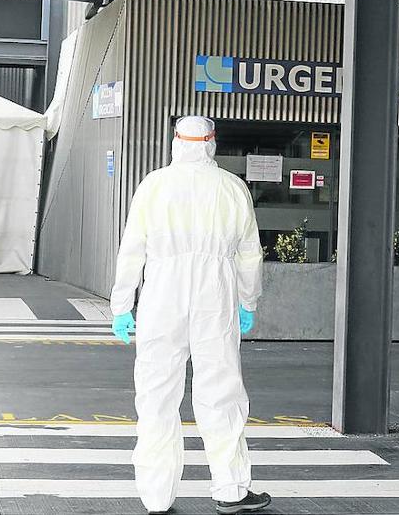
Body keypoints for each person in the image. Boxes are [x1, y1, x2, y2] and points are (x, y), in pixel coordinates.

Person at [110, 116, 271, 515]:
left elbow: (132, 249)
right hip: (215, 296)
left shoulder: (154, 184)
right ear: (211, 143)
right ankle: (231, 489)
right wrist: (248, 302)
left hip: (161, 296)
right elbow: (250, 255)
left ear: (176, 142)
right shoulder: (233, 188)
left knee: (156, 396)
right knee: (221, 392)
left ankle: (156, 495)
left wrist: (121, 304)